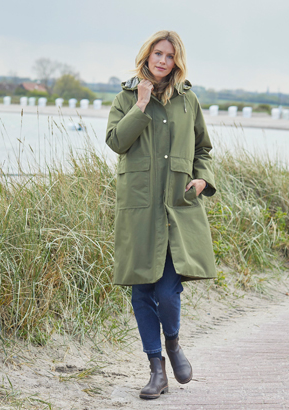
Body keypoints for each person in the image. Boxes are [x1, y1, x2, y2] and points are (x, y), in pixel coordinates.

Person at [105, 30, 217, 400]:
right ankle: (156, 369)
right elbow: (117, 142)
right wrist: (140, 104)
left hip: (177, 208)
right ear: (147, 55)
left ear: (176, 61)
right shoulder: (126, 96)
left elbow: (204, 149)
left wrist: (202, 181)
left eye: (169, 56)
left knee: (168, 291)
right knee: (142, 291)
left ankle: (173, 344)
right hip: (138, 209)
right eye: (157, 53)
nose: (162, 60)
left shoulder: (189, 101)